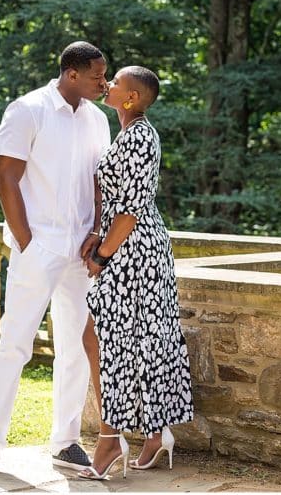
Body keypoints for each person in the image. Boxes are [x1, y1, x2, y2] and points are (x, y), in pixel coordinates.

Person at [0, 41, 111, 481]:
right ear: (71, 74)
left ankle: (65, 441)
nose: (105, 83)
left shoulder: (99, 121)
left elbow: (101, 181)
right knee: (15, 344)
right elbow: (7, 176)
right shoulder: (28, 109)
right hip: (39, 247)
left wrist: (97, 232)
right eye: (98, 76)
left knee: (77, 347)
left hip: (81, 251)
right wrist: (27, 240)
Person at [77, 66, 193, 480]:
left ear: (131, 98)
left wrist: (104, 254)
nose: (107, 85)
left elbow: (132, 207)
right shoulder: (128, 133)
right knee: (139, 338)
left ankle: (111, 438)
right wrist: (98, 235)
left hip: (135, 251)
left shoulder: (142, 136)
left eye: (117, 83)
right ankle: (154, 432)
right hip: (128, 246)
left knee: (100, 339)